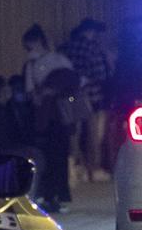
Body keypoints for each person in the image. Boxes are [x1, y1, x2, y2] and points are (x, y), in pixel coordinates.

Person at [21, 24, 78, 211]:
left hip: (49, 117)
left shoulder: (37, 64)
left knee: (52, 157)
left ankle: (50, 195)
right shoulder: (58, 60)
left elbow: (31, 92)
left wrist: (44, 93)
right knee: (55, 157)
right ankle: (53, 196)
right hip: (55, 117)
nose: (30, 50)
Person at [62, 17, 113, 181]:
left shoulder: (68, 47)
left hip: (70, 94)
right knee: (93, 134)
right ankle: (93, 168)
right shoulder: (91, 47)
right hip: (91, 96)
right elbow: (100, 74)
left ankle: (76, 167)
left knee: (74, 134)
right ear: (92, 32)